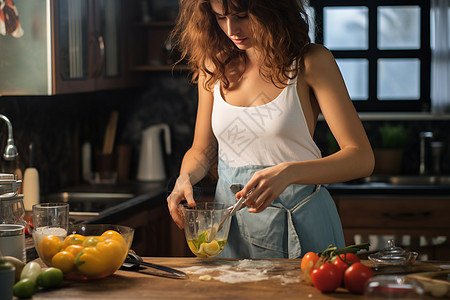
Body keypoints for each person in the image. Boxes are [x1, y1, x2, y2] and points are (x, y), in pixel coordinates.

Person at [167, 0, 374, 259]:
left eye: (242, 16)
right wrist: (184, 177)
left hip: (303, 223)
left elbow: (361, 158)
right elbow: (202, 150)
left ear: (271, 8)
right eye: (220, 17)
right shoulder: (213, 68)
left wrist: (289, 172)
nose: (231, 29)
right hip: (232, 230)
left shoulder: (310, 61)